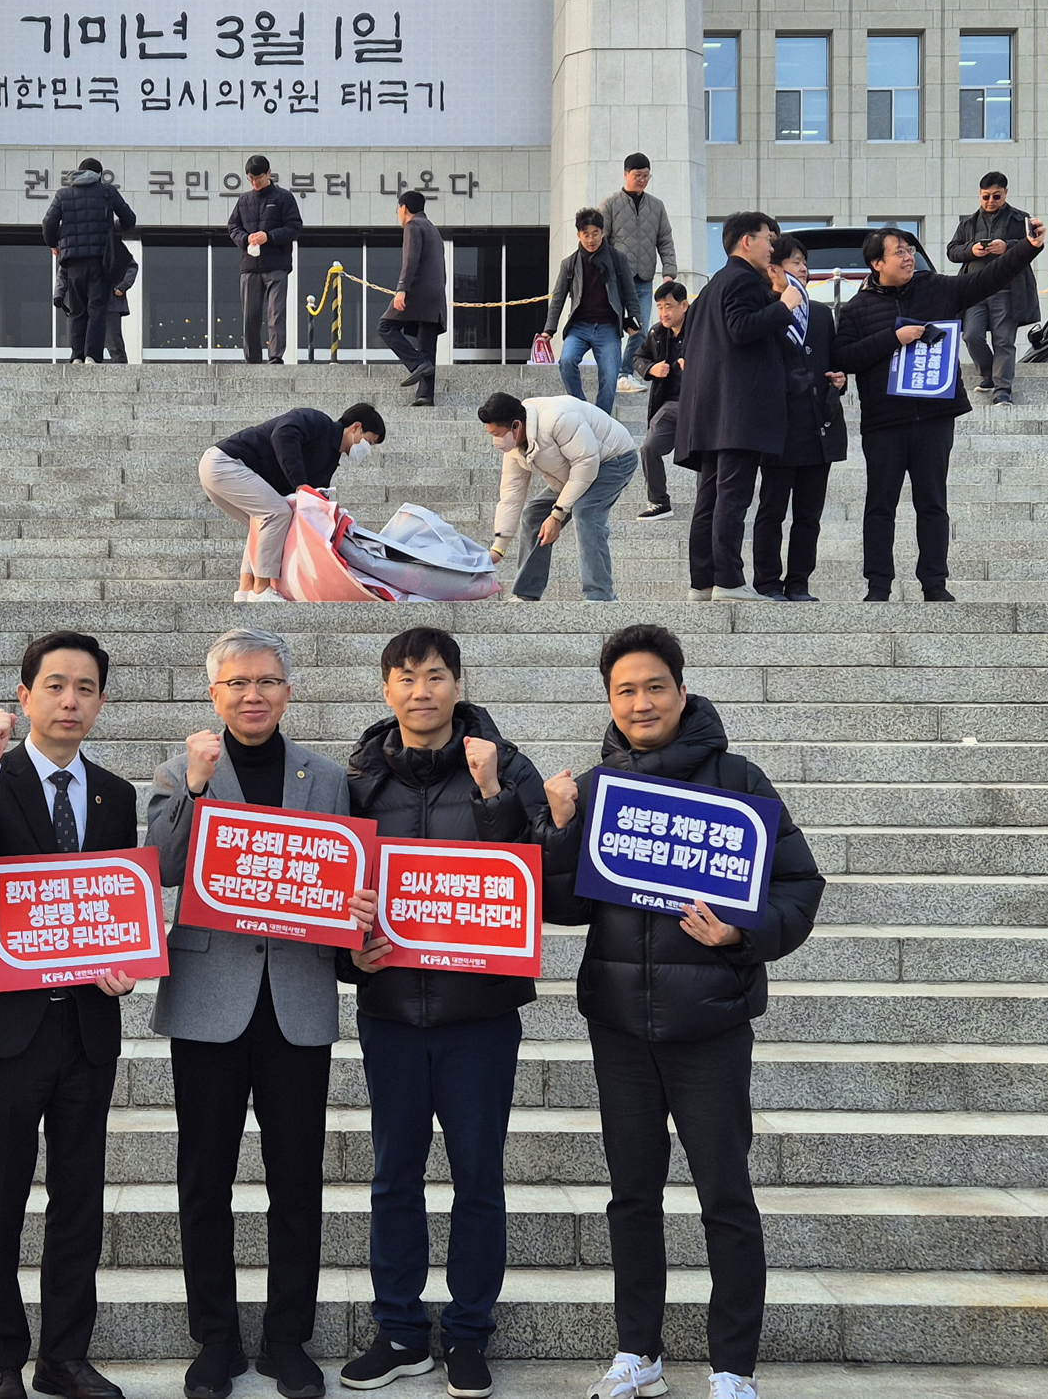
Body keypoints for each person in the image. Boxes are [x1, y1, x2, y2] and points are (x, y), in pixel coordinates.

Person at [534, 625, 823, 1399]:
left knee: (725, 1196)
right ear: (610, 702)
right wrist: (557, 830)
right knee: (632, 1195)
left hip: (710, 1025)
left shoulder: (738, 780)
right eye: (625, 690)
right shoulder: (595, 790)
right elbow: (563, 905)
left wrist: (741, 933)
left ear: (682, 692)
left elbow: (799, 886)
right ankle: (639, 1353)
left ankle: (733, 1367)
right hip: (621, 1025)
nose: (641, 702)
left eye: (654, 686)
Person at [145, 629, 373, 1399]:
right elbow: (162, 867)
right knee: (204, 1178)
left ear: (288, 690)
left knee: (297, 1179)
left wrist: (356, 907)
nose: (253, 695)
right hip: (209, 999)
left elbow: (347, 875)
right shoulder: (181, 770)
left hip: (296, 999)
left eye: (267, 681)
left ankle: (286, 1339)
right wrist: (196, 788)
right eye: (237, 683)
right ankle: (215, 1338)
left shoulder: (327, 778)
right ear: (213, 693)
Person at [337, 627, 547, 1399]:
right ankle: (399, 1330)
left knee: (478, 1177)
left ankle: (467, 1332)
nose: (420, 691)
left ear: (458, 685)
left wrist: (491, 795)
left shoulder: (504, 765)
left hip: (479, 1014)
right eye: (405, 677)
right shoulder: (360, 777)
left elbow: (540, 870)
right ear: (385, 689)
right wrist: (351, 954)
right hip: (391, 1009)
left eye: (434, 676)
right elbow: (334, 893)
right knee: (394, 1175)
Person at [0, 632, 140, 1399]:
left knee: (79, 1198)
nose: (69, 701)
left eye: (85, 688)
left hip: (85, 1027)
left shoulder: (114, 794)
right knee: (1, 1197)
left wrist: (123, 961)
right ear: (24, 697)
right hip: (3, 1027)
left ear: (101, 702)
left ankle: (65, 1356)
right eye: (54, 685)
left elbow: (114, 903)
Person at [834, 219, 1044, 603]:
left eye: (909, 250)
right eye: (898, 252)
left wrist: (1027, 248)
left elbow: (988, 278)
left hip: (933, 417)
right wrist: (893, 338)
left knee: (932, 503)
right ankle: (878, 586)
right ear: (876, 263)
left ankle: (934, 584)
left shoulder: (936, 288)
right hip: (884, 421)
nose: (908, 257)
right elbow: (845, 358)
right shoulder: (855, 310)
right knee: (880, 505)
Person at [675, 212, 804, 602]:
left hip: (711, 411)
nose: (773, 248)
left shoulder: (715, 283)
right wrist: (784, 305)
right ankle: (729, 580)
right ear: (747, 241)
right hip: (738, 410)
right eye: (769, 239)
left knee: (711, 498)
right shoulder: (743, 279)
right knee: (731, 498)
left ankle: (703, 582)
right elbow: (741, 328)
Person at [197, 404, 387, 603]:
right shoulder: (318, 421)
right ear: (356, 427)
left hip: (222, 469)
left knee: (263, 521)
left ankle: (245, 589)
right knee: (277, 513)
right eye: (368, 442)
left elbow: (315, 500)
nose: (367, 450)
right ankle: (261, 589)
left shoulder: (329, 460)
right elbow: (283, 434)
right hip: (225, 463)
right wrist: (300, 484)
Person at [752, 237, 847, 601]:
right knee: (772, 510)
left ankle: (798, 582)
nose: (803, 268)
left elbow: (832, 361)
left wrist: (839, 379)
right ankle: (767, 582)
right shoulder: (765, 310)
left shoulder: (821, 314)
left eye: (804, 262)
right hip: (778, 428)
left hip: (818, 424)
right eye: (794, 262)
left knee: (809, 514)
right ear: (773, 269)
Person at [478, 391, 639, 603]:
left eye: (497, 434)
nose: (495, 441)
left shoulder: (558, 418)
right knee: (534, 515)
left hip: (613, 459)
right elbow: (511, 495)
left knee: (585, 512)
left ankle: (601, 596)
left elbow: (586, 464)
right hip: (572, 473)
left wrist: (557, 515)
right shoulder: (514, 447)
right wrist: (499, 547)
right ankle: (526, 593)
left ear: (515, 426)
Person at [945, 171, 1042, 406]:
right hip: (974, 291)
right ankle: (988, 375)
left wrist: (1007, 246)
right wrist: (971, 250)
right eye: (986, 196)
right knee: (971, 335)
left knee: (1003, 340)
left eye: (996, 196)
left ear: (1006, 193)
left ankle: (1002, 389)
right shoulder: (968, 223)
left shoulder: (1021, 219)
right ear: (980, 195)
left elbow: (1034, 246)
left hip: (1008, 291)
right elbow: (952, 251)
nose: (990, 201)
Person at [544, 208, 641, 418]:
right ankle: (582, 409)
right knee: (566, 361)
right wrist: (549, 329)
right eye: (586, 234)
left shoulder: (617, 259)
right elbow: (558, 298)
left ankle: (601, 419)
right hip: (579, 327)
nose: (591, 239)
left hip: (608, 327)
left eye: (595, 233)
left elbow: (629, 292)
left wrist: (635, 319)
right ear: (578, 235)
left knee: (610, 374)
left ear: (603, 232)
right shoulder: (569, 263)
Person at [43, 158, 138, 365]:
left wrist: (54, 244)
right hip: (100, 260)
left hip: (73, 262)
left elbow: (48, 222)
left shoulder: (63, 194)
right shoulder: (107, 192)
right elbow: (129, 219)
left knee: (77, 310)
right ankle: (91, 356)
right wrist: (114, 228)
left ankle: (76, 356)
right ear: (99, 174)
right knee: (97, 309)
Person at [600, 153, 679, 373]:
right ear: (626, 174)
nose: (642, 180)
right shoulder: (610, 204)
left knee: (641, 328)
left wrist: (669, 272)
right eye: (638, 175)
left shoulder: (657, 206)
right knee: (613, 329)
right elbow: (601, 242)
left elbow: (665, 240)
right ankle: (612, 372)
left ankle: (625, 372)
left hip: (644, 279)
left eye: (646, 176)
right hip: (616, 280)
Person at [227, 155, 303, 365]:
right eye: (250, 179)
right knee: (250, 316)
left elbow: (294, 227)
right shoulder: (244, 200)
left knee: (275, 314)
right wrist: (246, 239)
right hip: (250, 266)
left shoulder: (283, 198)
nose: (254, 183)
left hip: (277, 265)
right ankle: (252, 360)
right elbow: (233, 227)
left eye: (258, 178)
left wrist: (268, 236)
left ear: (269, 173)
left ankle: (275, 357)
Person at [376, 192, 446, 407]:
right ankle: (425, 395)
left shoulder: (413, 225)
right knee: (427, 344)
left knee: (385, 326)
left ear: (404, 208)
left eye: (397, 209)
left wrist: (401, 289)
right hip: (435, 296)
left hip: (418, 291)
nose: (398, 213)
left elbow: (410, 260)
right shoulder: (433, 229)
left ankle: (417, 363)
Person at [632, 281, 689, 520]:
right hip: (671, 404)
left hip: (701, 403)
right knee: (649, 447)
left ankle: (713, 502)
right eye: (660, 307)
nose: (664, 313)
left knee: (706, 454)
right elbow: (638, 357)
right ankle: (659, 502)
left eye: (669, 306)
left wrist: (696, 365)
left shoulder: (702, 328)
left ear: (684, 305)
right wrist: (651, 368)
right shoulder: (657, 333)